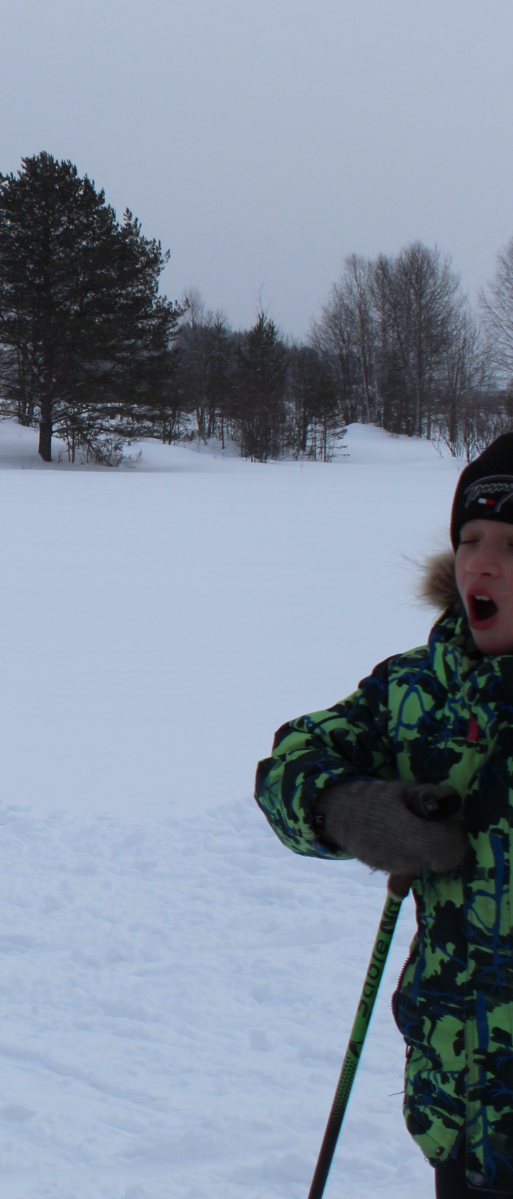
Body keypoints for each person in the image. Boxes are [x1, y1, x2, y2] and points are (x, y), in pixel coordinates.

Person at [257, 432, 513, 1197]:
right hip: (459, 1106)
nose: (483, 563)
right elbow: (289, 764)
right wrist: (356, 810)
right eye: (470, 538)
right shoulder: (416, 692)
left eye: (512, 544)